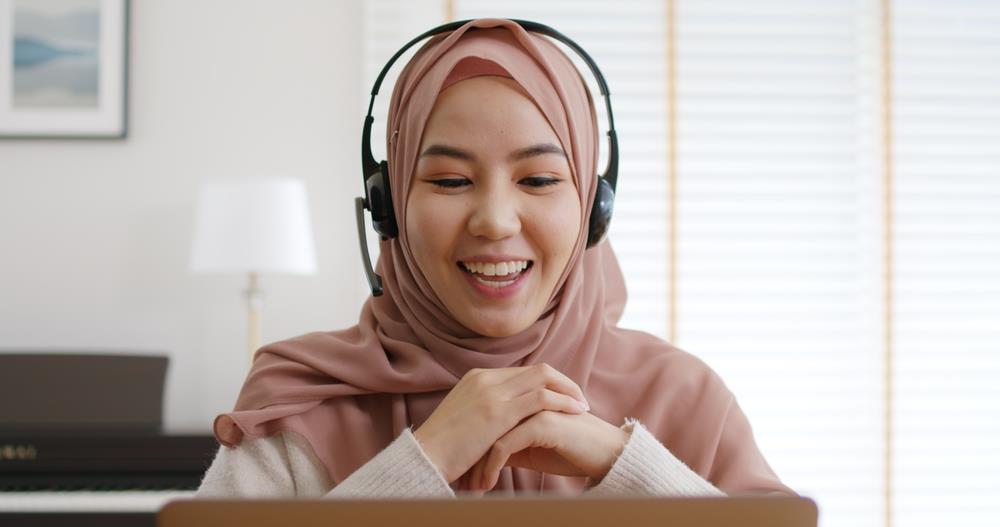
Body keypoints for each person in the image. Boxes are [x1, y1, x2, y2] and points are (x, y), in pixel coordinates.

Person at [196, 18, 795, 499]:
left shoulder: (682, 398)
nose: (494, 221)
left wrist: (622, 463)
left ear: (593, 208)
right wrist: (424, 462)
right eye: (451, 181)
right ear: (390, 205)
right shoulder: (299, 406)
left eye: (538, 179)